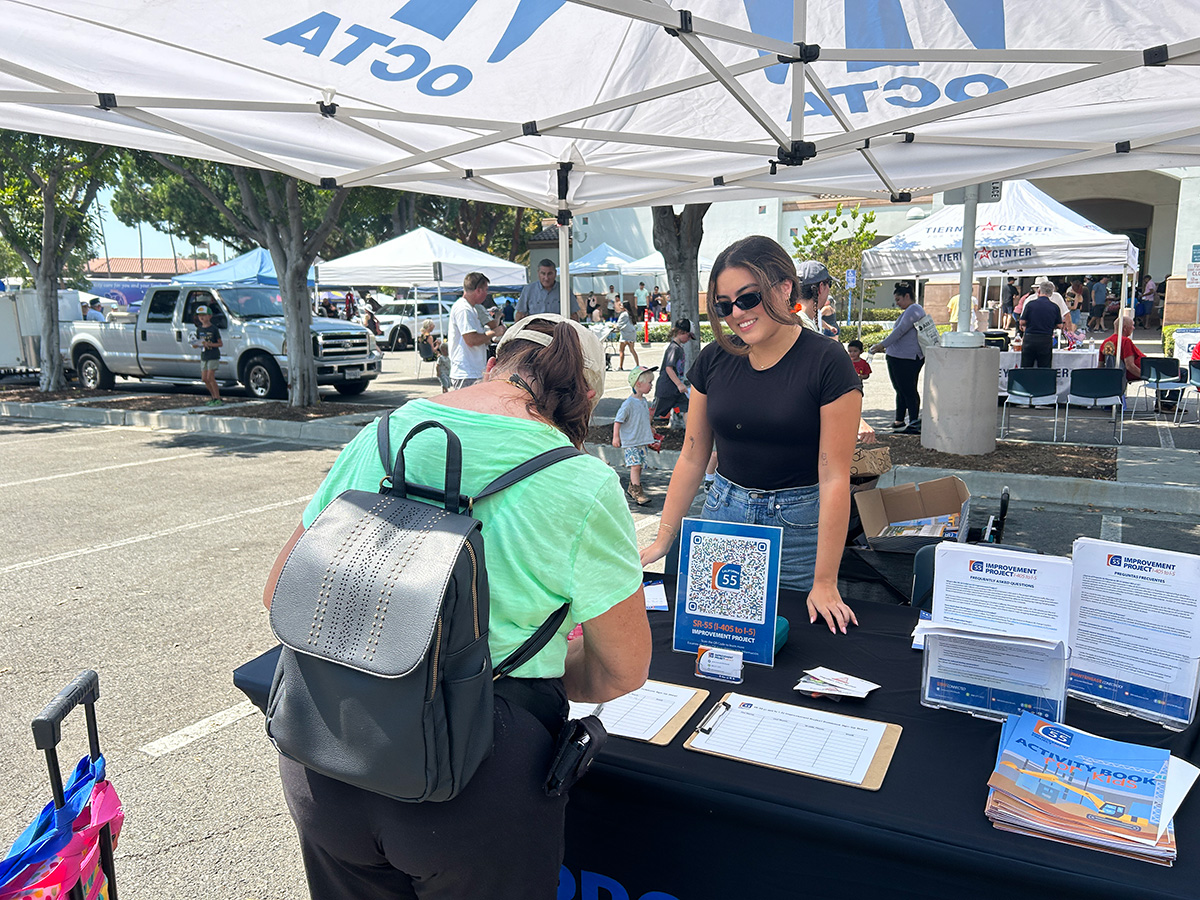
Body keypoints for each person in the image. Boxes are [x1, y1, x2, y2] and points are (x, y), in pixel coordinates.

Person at [265, 313, 651, 900]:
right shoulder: (583, 484)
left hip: (327, 752)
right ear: (588, 398)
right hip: (479, 775)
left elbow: (279, 594)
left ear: (495, 364)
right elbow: (621, 669)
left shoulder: (384, 434)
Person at [640, 235, 862, 633]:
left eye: (748, 298)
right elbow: (692, 454)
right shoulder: (713, 360)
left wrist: (825, 581)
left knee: (792, 637)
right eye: (724, 305)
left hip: (798, 526)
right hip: (724, 510)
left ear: (784, 288)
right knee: (716, 638)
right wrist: (663, 538)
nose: (736, 314)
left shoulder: (827, 361)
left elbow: (834, 477)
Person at [869, 282, 925, 435]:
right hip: (898, 356)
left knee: (908, 389)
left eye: (899, 299)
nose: (897, 303)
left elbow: (900, 331)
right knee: (900, 389)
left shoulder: (914, 310)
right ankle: (899, 419)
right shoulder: (910, 310)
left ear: (907, 296)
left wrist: (882, 344)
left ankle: (914, 421)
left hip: (907, 358)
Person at [449, 272, 506, 390]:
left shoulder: (472, 308)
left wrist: (488, 339)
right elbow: (471, 340)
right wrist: (495, 332)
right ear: (478, 290)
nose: (487, 293)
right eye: (486, 290)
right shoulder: (463, 309)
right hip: (466, 374)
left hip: (471, 372)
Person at [613, 365, 658, 506]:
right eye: (649, 383)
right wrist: (616, 437)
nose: (651, 386)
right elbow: (618, 420)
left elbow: (643, 418)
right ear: (639, 384)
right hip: (631, 441)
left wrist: (650, 428)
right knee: (636, 465)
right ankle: (637, 492)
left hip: (641, 440)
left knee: (639, 466)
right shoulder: (628, 404)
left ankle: (633, 487)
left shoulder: (643, 402)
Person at [653, 318, 692, 424]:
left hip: (676, 391)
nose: (689, 339)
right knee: (655, 413)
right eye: (688, 336)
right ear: (680, 332)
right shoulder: (673, 349)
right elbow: (668, 368)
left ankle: (690, 434)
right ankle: (643, 432)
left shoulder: (679, 348)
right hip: (666, 389)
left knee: (687, 407)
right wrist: (679, 384)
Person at [1018, 281, 1061, 368]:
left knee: (1026, 366)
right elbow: (1060, 325)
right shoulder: (1054, 307)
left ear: (1039, 291)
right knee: (1044, 367)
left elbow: (1022, 322)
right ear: (1051, 293)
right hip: (1046, 339)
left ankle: (1025, 381)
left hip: (1030, 338)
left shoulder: (1030, 304)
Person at [193, 304, 223, 406]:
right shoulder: (199, 329)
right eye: (199, 315)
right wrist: (196, 344)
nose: (201, 317)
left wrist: (209, 344)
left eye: (204, 315)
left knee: (210, 377)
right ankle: (213, 397)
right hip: (204, 356)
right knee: (204, 378)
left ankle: (218, 398)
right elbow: (198, 342)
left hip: (213, 355)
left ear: (210, 316)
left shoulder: (214, 329)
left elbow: (220, 343)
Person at [1100, 314, 1144, 381]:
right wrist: (1146, 376)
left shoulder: (1105, 342)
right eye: (1132, 325)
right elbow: (1129, 366)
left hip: (1113, 375)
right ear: (1125, 328)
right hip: (1128, 374)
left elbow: (1100, 365)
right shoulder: (1125, 341)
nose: (1133, 328)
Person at [615, 300, 639, 370]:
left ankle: (620, 366)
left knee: (621, 350)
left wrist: (614, 327)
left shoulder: (623, 314)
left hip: (625, 334)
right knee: (632, 350)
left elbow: (619, 325)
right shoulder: (630, 314)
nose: (620, 306)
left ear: (624, 307)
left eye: (622, 305)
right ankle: (637, 365)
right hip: (632, 333)